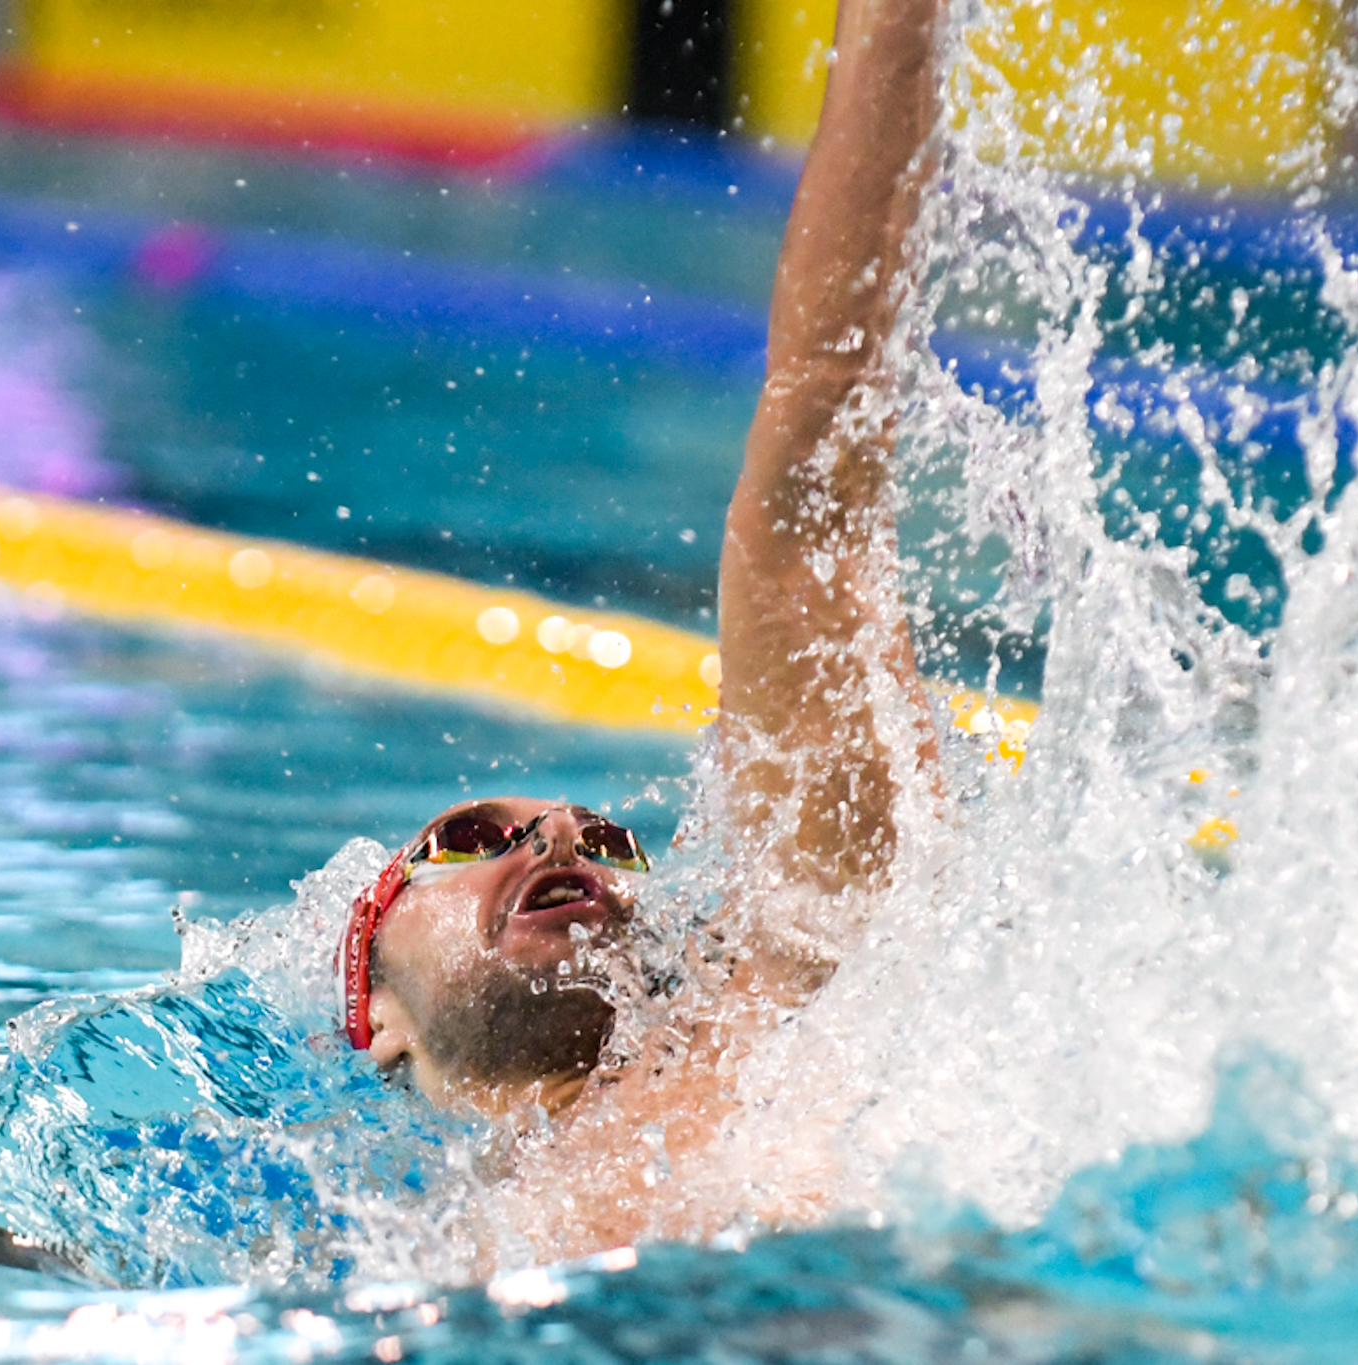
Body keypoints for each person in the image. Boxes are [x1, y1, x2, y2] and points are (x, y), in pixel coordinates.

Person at [339, 0, 946, 1258]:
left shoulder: (781, 1020)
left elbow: (815, 471)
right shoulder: (385, 1254)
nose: (561, 832)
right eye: (468, 839)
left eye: (603, 841)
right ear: (376, 1011)